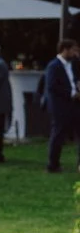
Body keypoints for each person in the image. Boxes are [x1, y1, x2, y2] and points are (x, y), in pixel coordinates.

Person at [41, 36, 80, 173]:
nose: (76, 53)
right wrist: (71, 93)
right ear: (65, 50)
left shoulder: (72, 65)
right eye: (74, 50)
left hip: (74, 104)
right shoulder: (54, 66)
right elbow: (52, 86)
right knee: (58, 134)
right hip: (60, 106)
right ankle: (53, 165)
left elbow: (72, 80)